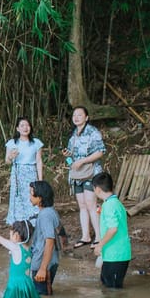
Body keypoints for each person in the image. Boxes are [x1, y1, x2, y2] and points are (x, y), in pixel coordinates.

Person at [62, 106, 105, 249]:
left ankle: (99, 237)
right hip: (77, 174)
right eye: (74, 115)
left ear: (86, 117)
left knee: (91, 204)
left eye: (80, 115)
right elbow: (72, 157)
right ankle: (85, 236)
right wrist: (68, 156)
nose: (76, 117)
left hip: (91, 172)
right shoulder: (74, 134)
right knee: (82, 206)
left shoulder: (93, 132)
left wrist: (83, 161)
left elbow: (100, 152)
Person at [92, 172, 132, 289]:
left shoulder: (109, 205)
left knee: (113, 291)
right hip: (115, 254)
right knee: (106, 284)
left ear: (97, 189)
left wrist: (99, 245)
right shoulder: (115, 203)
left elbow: (113, 229)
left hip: (116, 254)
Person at [4, 116, 43, 224]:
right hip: (17, 173)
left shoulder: (36, 143)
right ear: (17, 128)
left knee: (32, 195)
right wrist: (11, 157)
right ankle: (19, 221)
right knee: (18, 197)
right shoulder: (12, 143)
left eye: (27, 125)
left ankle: (34, 220)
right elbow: (7, 161)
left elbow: (39, 161)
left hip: (31, 172)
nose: (25, 128)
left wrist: (40, 180)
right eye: (22, 125)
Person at [28, 180, 61, 296]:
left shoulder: (45, 215)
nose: (29, 196)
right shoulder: (51, 212)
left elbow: (50, 241)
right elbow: (61, 233)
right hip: (50, 262)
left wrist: (43, 268)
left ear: (40, 197)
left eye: (31, 193)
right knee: (44, 295)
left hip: (43, 263)